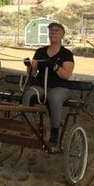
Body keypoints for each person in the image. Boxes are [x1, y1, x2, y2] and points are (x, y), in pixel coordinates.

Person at [22, 22, 74, 152]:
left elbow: (66, 75)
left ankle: (55, 132)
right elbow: (32, 73)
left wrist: (55, 66)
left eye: (56, 31)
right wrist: (29, 65)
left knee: (54, 97)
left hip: (60, 86)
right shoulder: (40, 51)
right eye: (51, 31)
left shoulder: (66, 53)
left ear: (62, 35)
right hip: (41, 85)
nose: (53, 33)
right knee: (28, 93)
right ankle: (30, 127)